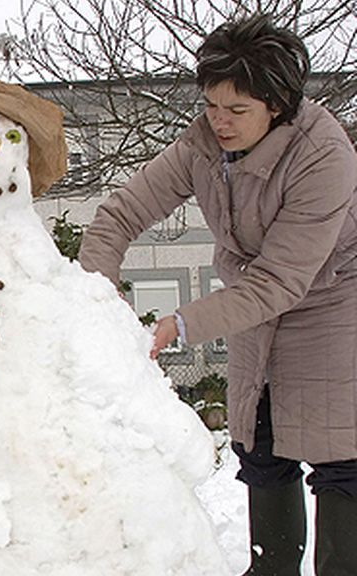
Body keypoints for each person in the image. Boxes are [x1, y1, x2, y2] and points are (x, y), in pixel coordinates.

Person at [78, 13, 357, 576]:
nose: (219, 122)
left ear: (276, 105)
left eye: (236, 110)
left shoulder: (325, 156)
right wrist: (95, 300)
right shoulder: (201, 145)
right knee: (261, 443)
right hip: (252, 302)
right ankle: (270, 567)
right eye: (210, 105)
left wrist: (179, 324)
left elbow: (280, 279)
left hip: (333, 303)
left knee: (340, 453)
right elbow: (119, 215)